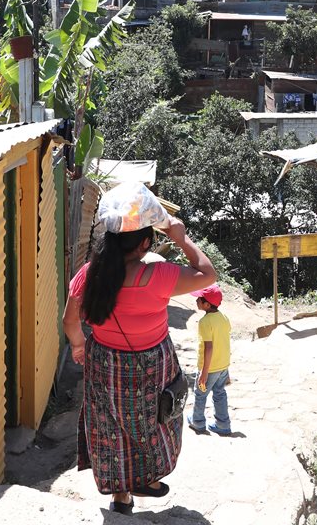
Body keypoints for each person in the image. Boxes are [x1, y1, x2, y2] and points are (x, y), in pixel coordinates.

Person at [62, 183, 217, 515]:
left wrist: (78, 346)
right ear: (146, 242)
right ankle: (144, 476)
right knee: (154, 418)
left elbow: (69, 322)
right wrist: (181, 237)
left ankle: (120, 495)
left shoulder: (89, 274)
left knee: (110, 427)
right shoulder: (159, 274)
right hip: (152, 362)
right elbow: (207, 274)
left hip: (103, 360)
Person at [186, 284, 232, 436]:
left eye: (199, 299)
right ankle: (223, 424)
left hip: (210, 368)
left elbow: (209, 348)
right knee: (219, 393)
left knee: (200, 394)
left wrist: (204, 372)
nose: (197, 301)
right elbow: (225, 342)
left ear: (207, 304)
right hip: (222, 366)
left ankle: (198, 422)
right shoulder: (224, 318)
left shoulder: (205, 322)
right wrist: (227, 369)